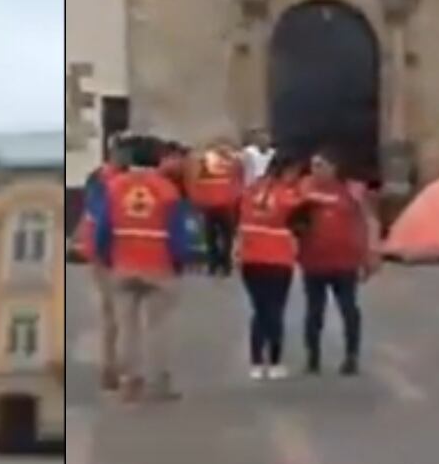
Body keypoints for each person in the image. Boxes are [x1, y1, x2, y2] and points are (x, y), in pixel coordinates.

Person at [91, 136, 194, 403]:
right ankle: (159, 382)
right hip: (159, 265)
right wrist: (179, 262)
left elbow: (102, 230)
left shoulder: (114, 187)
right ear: (157, 159)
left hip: (124, 264)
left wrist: (107, 257)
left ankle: (130, 382)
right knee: (158, 326)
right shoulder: (167, 190)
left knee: (128, 327)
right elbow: (177, 234)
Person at [295, 150, 376, 376]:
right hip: (313, 262)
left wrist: (369, 254)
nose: (316, 170)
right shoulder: (303, 188)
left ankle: (351, 356)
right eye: (313, 165)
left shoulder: (352, 191)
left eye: (321, 165)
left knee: (349, 310)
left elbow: (367, 222)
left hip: (345, 262)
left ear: (334, 167)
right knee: (314, 312)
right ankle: (312, 357)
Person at [235, 157, 305, 380]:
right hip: (277, 257)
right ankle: (274, 361)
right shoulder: (288, 194)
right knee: (275, 310)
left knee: (259, 310)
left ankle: (256, 362)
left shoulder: (251, 190)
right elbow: (301, 210)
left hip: (250, 256)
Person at [79, 136, 127, 391]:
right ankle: (110, 369)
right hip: (105, 253)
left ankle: (117, 366)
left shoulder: (110, 178)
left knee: (118, 313)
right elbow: (98, 216)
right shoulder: (102, 180)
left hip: (115, 252)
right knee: (112, 313)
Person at [188, 141, 244, 277]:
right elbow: (238, 182)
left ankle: (214, 264)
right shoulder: (233, 162)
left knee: (211, 237)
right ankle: (225, 265)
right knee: (227, 237)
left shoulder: (203, 162)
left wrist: (198, 201)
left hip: (210, 205)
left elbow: (195, 181)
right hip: (225, 205)